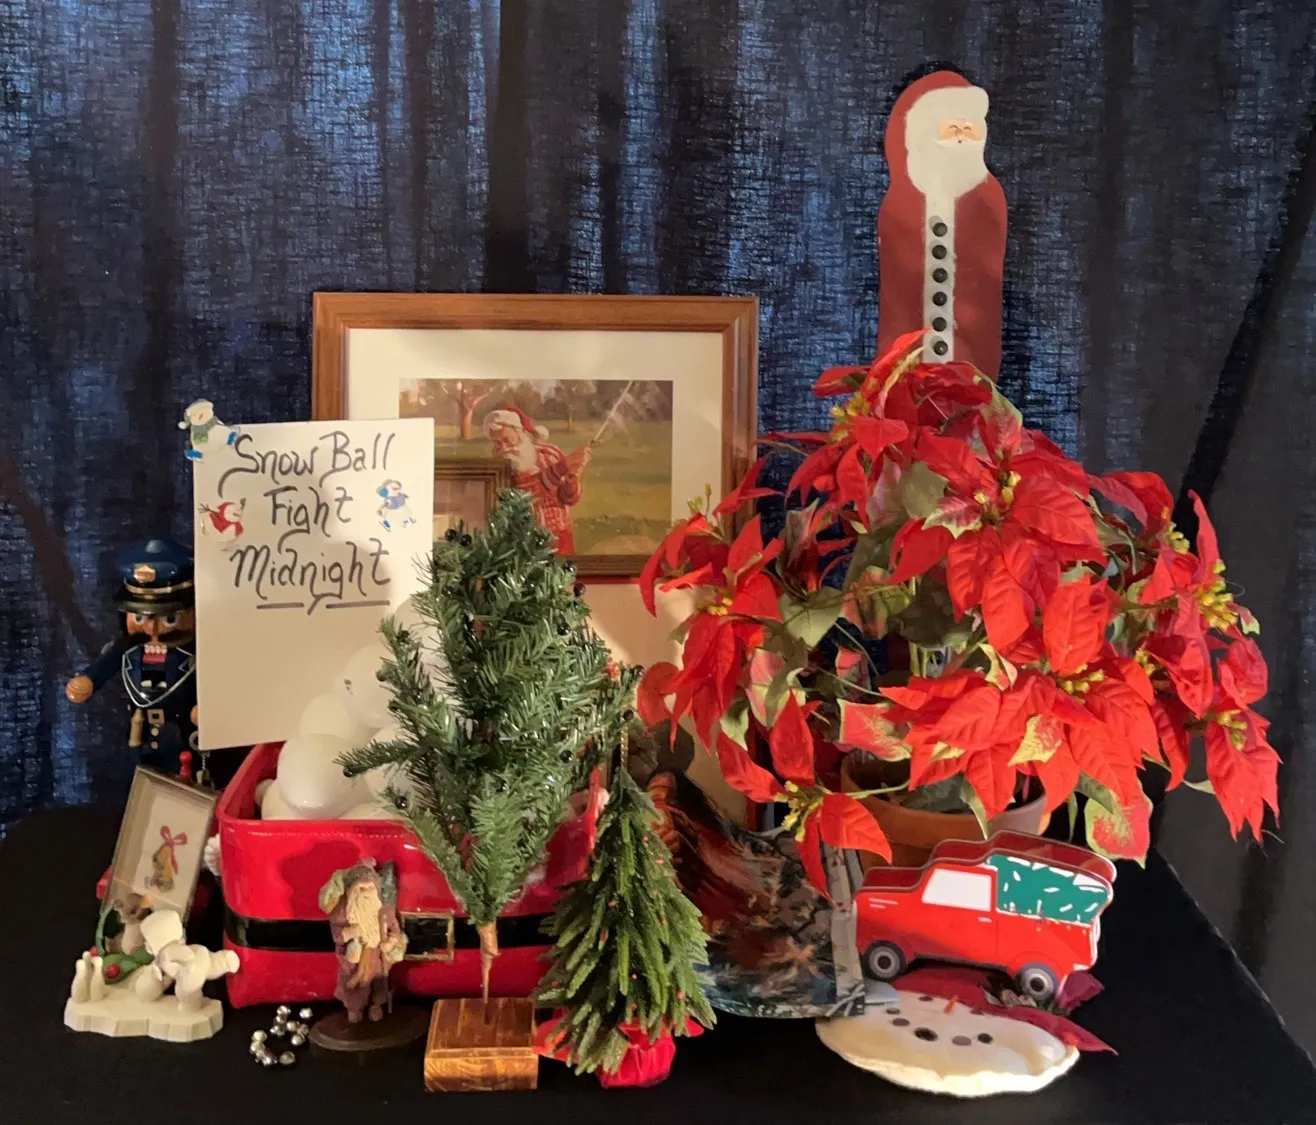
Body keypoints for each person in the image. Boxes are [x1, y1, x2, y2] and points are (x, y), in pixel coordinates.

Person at [877, 71, 1008, 379]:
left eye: (969, 129)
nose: (962, 137)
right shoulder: (899, 201)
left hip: (970, 351)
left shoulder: (988, 196)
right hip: (908, 352)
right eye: (952, 129)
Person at [65, 538, 203, 779]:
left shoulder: (198, 653)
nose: (152, 628)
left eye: (168, 618)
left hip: (184, 734)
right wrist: (88, 680)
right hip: (141, 732)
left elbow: (217, 680)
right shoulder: (128, 649)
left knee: (188, 778)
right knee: (146, 777)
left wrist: (207, 709)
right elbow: (106, 664)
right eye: (139, 617)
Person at [483, 404, 590, 555]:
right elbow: (529, 491)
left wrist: (572, 479)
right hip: (523, 543)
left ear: (520, 434)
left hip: (559, 536)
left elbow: (569, 498)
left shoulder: (549, 454)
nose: (504, 447)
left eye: (507, 439)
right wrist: (564, 466)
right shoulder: (499, 466)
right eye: (497, 443)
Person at [318, 860, 407, 1024]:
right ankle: (354, 1009)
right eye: (360, 889)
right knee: (355, 984)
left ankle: (376, 1005)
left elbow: (394, 930)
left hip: (377, 956)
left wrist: (392, 941)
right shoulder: (343, 915)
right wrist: (350, 933)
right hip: (354, 959)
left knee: (379, 983)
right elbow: (338, 935)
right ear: (350, 891)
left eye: (369, 888)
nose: (365, 893)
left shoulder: (383, 912)